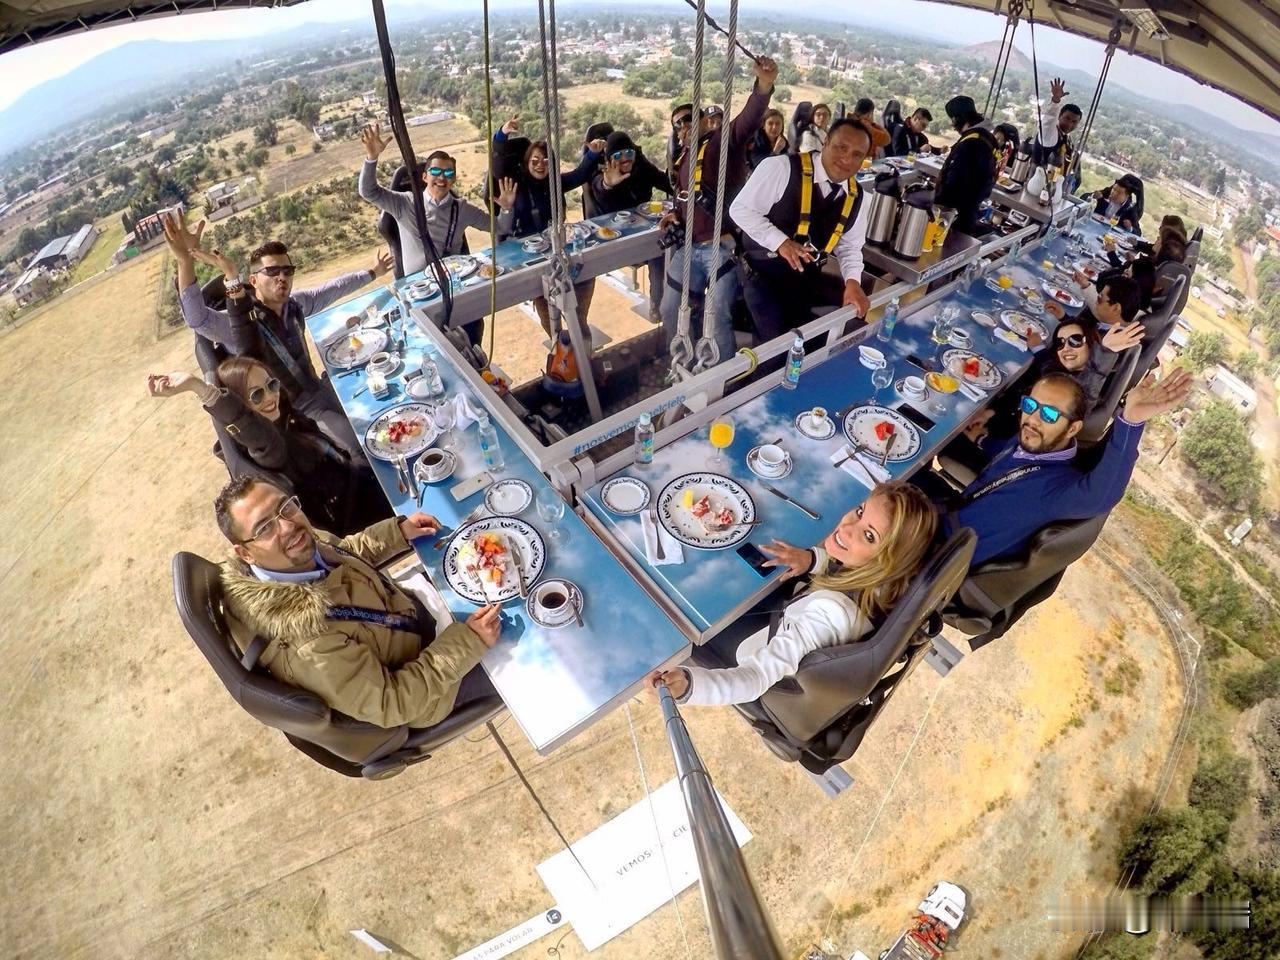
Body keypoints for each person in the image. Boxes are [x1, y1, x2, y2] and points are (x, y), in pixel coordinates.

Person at [214, 475, 503, 729]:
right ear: (246, 554)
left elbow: (344, 552)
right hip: (430, 688)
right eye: (265, 528)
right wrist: (468, 642)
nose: (287, 526)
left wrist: (397, 533)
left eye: (285, 507)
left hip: (417, 613)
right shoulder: (309, 646)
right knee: (528, 647)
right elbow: (394, 703)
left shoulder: (295, 550)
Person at [648, 482, 937, 707]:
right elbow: (846, 571)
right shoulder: (887, 581)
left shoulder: (830, 617)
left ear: (887, 560)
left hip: (758, 652)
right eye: (860, 512)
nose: (848, 527)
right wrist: (812, 560)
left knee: (690, 609)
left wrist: (688, 687)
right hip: (795, 616)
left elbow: (756, 676)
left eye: (869, 535)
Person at [167, 214, 389, 456]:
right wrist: (184, 261)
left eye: (287, 270)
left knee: (382, 412)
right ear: (253, 280)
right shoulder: (240, 323)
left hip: (320, 388)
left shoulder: (294, 305)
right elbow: (197, 318)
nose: (281, 277)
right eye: (272, 271)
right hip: (297, 411)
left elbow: (331, 290)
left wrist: (373, 273)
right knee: (361, 447)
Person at [945, 368, 1192, 567]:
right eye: (1030, 406)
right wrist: (981, 438)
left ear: (1073, 428)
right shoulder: (1033, 441)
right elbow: (1007, 456)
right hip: (951, 512)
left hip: (945, 551)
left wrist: (1131, 422)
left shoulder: (1057, 489)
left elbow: (1103, 495)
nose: (1033, 419)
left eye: (1050, 415)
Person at [148, 354, 392, 536]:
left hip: (360, 479)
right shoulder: (269, 449)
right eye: (256, 395)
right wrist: (199, 388)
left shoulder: (287, 416)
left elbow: (249, 342)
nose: (269, 396)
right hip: (362, 516)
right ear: (242, 406)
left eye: (271, 385)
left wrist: (238, 300)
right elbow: (255, 432)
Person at [660, 55, 779, 365]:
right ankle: (684, 364)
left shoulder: (721, 144)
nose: (683, 127)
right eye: (678, 125)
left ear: (703, 121)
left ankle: (721, 381)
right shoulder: (684, 160)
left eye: (689, 119)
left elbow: (747, 120)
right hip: (689, 248)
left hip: (720, 248)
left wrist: (763, 85)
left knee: (716, 319)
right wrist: (674, 214)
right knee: (669, 309)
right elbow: (686, 198)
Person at [732, 117, 873, 340]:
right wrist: (781, 242)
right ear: (825, 142)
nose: (847, 159)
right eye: (841, 147)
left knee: (807, 336)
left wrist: (853, 282)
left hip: (804, 278)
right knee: (774, 345)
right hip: (762, 275)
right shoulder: (781, 168)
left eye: (857, 155)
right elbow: (740, 209)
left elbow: (850, 248)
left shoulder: (859, 197)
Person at [493, 117, 605, 337]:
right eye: (535, 160)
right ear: (527, 162)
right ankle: (557, 338)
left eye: (546, 161)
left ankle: (579, 328)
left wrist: (592, 154)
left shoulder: (554, 183)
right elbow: (498, 166)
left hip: (555, 247)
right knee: (546, 302)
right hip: (527, 252)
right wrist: (502, 134)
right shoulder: (516, 184)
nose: (540, 164)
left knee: (585, 275)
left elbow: (579, 175)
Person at [359, 124, 516, 277]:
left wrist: (507, 208)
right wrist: (371, 158)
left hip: (454, 280)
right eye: (435, 171)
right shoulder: (404, 203)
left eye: (448, 173)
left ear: (453, 180)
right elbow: (368, 191)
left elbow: (500, 228)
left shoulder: (462, 209)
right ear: (424, 176)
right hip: (419, 285)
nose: (441, 177)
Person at [582, 130, 674, 324]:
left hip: (642, 229)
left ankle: (659, 306)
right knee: (658, 249)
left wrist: (683, 190)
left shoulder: (640, 164)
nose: (625, 159)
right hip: (615, 236)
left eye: (629, 153)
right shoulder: (603, 171)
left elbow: (662, 181)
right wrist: (608, 183)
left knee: (662, 246)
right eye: (618, 155)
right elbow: (599, 187)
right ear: (609, 159)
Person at [934, 95, 999, 237]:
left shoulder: (970, 143)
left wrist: (936, 206)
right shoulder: (988, 138)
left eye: (953, 120)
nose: (953, 125)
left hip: (954, 217)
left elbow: (955, 182)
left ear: (960, 119)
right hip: (971, 212)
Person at [1032, 77, 1082, 172]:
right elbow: (1049, 119)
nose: (1069, 124)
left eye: (1074, 122)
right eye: (1067, 118)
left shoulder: (1067, 140)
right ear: (1059, 116)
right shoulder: (1049, 133)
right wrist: (1055, 100)